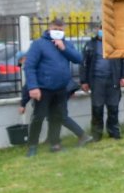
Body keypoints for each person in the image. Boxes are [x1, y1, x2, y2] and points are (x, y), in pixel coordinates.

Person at [23, 17, 85, 156]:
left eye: (60, 30)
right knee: (38, 117)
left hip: (61, 88)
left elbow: (78, 59)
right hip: (43, 88)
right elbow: (29, 66)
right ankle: (32, 146)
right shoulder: (39, 44)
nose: (58, 32)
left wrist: (63, 48)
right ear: (49, 29)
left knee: (57, 117)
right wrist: (33, 87)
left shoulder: (66, 44)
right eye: (55, 29)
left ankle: (55, 144)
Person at [19, 54, 90, 153]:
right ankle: (51, 139)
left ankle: (82, 136)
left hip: (58, 92)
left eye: (21, 61)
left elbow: (28, 86)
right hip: (59, 91)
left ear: (24, 58)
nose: (22, 64)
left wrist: (23, 104)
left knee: (61, 116)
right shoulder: (42, 61)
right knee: (53, 116)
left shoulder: (34, 65)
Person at [81, 27, 124, 140]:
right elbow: (83, 63)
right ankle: (96, 135)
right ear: (98, 30)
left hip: (113, 80)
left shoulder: (117, 44)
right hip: (96, 81)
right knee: (97, 108)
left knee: (113, 108)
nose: (103, 31)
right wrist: (84, 81)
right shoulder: (90, 45)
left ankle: (114, 133)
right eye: (101, 29)